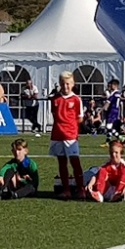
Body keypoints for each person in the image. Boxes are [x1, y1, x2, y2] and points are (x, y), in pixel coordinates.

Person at [50, 72, 85, 200]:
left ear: (73, 84)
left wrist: (70, 126)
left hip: (70, 136)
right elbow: (54, 114)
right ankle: (66, 190)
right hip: (57, 134)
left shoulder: (76, 99)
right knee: (62, 162)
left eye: (68, 84)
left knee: (75, 162)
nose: (65, 86)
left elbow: (80, 118)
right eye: (63, 84)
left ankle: (81, 189)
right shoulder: (55, 99)